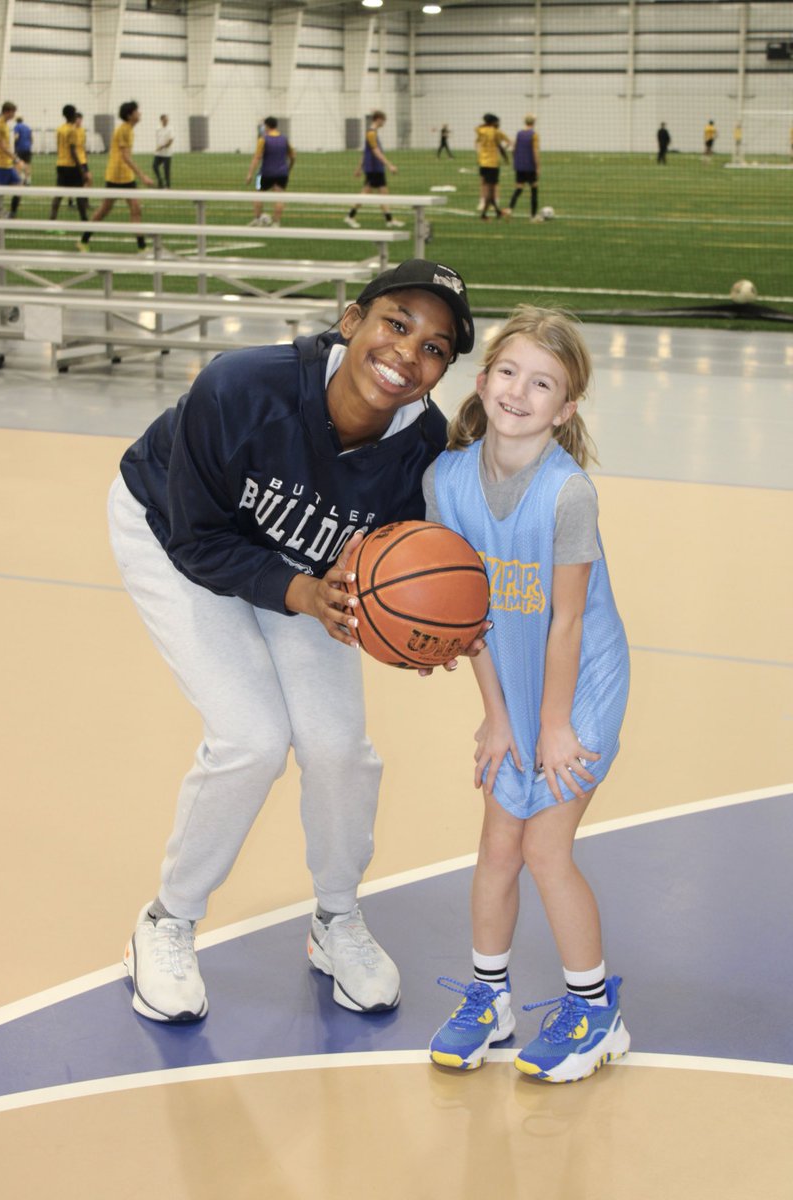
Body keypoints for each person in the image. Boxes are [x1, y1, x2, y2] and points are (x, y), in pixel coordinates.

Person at [108, 258, 478, 1024]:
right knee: (250, 738)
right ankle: (165, 920)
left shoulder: (423, 449)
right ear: (352, 321)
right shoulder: (240, 386)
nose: (409, 354)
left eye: (436, 347)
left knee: (340, 746)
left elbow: (398, 564)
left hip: (306, 566)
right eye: (396, 324)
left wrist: (412, 629)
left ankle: (335, 919)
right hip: (172, 531)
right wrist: (299, 593)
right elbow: (198, 540)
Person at [425, 304, 631, 1082]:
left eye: (542, 382)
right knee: (496, 848)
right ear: (480, 384)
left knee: (545, 847)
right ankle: (490, 999)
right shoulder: (445, 481)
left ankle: (594, 1010)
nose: (520, 390)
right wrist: (496, 716)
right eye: (508, 372)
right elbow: (465, 610)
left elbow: (569, 621)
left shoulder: (566, 493)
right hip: (512, 676)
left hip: (580, 686)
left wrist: (551, 724)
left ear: (565, 407)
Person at [77, 100, 154, 254]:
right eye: (137, 111)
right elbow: (126, 157)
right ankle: (83, 240)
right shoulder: (124, 130)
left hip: (126, 177)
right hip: (116, 177)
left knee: (136, 209)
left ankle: (142, 247)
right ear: (130, 115)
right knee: (104, 210)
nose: (140, 114)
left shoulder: (129, 130)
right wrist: (143, 176)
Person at [345, 111, 404, 230]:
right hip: (373, 169)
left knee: (383, 194)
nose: (384, 123)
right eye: (383, 120)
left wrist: (358, 168)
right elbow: (376, 151)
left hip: (376, 168)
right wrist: (389, 165)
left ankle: (389, 220)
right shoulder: (371, 133)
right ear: (378, 119)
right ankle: (350, 217)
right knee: (366, 194)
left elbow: (365, 153)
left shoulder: (373, 133)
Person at [245, 116, 295, 226]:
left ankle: (258, 219)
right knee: (279, 197)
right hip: (282, 174)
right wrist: (289, 168)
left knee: (258, 194)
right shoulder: (284, 139)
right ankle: (276, 222)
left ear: (267, 125)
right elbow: (293, 156)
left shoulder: (263, 139)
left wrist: (249, 174)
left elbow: (257, 157)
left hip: (265, 174)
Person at [49, 104, 91, 222]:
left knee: (59, 194)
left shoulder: (59, 129)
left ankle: (52, 220)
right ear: (73, 115)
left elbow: (59, 147)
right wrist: (82, 170)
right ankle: (84, 220)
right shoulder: (72, 130)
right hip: (71, 166)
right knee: (79, 194)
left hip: (60, 164)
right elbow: (73, 151)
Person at [503, 114, 541, 220]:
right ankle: (533, 216)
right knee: (534, 189)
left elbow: (514, 148)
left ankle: (510, 209)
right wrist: (538, 167)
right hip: (530, 166)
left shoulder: (519, 133)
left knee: (519, 188)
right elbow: (535, 152)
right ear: (533, 122)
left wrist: (515, 161)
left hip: (519, 166)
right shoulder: (534, 135)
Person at [475, 113, 511, 220]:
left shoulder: (480, 130)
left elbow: (478, 129)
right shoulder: (496, 132)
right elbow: (501, 146)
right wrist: (506, 159)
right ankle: (484, 215)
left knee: (487, 187)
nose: (499, 123)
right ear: (493, 122)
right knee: (491, 191)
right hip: (492, 164)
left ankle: (497, 211)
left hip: (482, 163)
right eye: (497, 121)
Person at [0, 102, 22, 218]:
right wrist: (16, 159)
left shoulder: (5, 124)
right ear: (7, 112)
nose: (14, 114)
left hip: (7, 165)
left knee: (19, 187)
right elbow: (2, 146)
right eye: (13, 112)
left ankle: (12, 213)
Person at [152, 114, 174, 188]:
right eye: (165, 120)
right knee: (154, 166)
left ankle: (168, 185)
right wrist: (158, 148)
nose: (166, 121)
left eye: (167, 120)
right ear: (161, 120)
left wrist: (162, 146)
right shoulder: (157, 129)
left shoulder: (170, 129)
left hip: (167, 154)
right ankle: (160, 181)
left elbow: (170, 141)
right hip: (159, 153)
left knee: (166, 170)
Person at [12, 115, 32, 184]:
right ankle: (28, 180)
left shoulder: (17, 126)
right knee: (27, 164)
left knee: (17, 163)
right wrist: (29, 145)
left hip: (19, 148)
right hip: (27, 148)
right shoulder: (27, 127)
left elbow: (16, 136)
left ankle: (19, 179)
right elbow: (31, 138)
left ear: (16, 120)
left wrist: (13, 143)